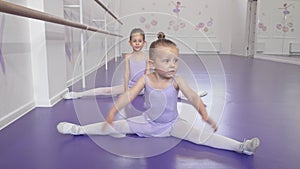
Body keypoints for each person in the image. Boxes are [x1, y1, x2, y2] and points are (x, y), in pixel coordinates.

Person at [57, 32, 260, 155]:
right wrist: (113, 111)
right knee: (114, 127)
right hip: (148, 123)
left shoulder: (177, 80)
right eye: (167, 61)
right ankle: (78, 130)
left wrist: (205, 116)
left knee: (200, 137)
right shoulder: (146, 79)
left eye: (175, 60)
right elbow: (129, 95)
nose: (172, 65)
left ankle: (241, 147)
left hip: (172, 125)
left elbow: (192, 96)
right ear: (152, 64)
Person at [63, 28, 208, 99]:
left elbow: (148, 74)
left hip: (145, 85)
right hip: (132, 86)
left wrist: (148, 88)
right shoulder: (128, 57)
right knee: (107, 90)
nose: (137, 43)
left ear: (144, 43)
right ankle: (77, 94)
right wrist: (127, 90)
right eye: (134, 41)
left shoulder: (147, 57)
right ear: (130, 42)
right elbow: (126, 74)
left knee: (171, 92)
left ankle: (194, 94)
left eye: (140, 41)